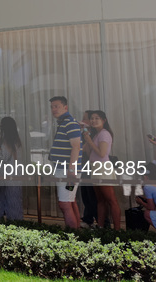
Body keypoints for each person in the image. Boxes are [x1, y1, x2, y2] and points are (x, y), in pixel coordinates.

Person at [82, 110, 120, 230]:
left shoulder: (104, 134)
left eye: (97, 118)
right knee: (100, 201)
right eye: (92, 118)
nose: (93, 120)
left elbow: (102, 153)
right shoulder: (96, 134)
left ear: (104, 120)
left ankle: (117, 229)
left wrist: (89, 141)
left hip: (103, 169)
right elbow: (89, 153)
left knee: (111, 200)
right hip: (95, 168)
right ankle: (101, 226)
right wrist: (87, 139)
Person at [48, 96, 82, 229]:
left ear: (65, 107)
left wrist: (71, 170)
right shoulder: (64, 122)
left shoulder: (70, 122)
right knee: (70, 201)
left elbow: (76, 146)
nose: (53, 109)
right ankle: (77, 233)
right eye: (52, 107)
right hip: (64, 169)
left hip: (66, 171)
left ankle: (72, 239)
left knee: (64, 204)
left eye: (57, 106)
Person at [0, 116, 23, 220]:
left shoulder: (3, 141)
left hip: (4, 175)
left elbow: (3, 157)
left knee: (2, 199)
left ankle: (0, 220)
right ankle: (16, 222)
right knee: (14, 200)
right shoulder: (16, 140)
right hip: (15, 174)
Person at [79, 110, 99, 228]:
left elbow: (89, 150)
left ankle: (101, 222)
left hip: (92, 167)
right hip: (83, 166)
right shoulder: (84, 133)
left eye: (85, 118)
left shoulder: (95, 134)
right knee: (85, 194)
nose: (84, 121)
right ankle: (88, 219)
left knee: (93, 195)